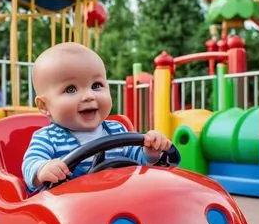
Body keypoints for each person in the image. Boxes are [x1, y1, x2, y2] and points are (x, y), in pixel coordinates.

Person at [22, 42, 172, 192]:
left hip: (116, 199)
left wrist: (150, 152)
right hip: (69, 206)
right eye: (71, 89)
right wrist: (43, 169)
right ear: (44, 106)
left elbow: (137, 162)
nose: (89, 96)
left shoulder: (117, 130)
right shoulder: (48, 138)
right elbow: (30, 165)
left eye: (96, 86)